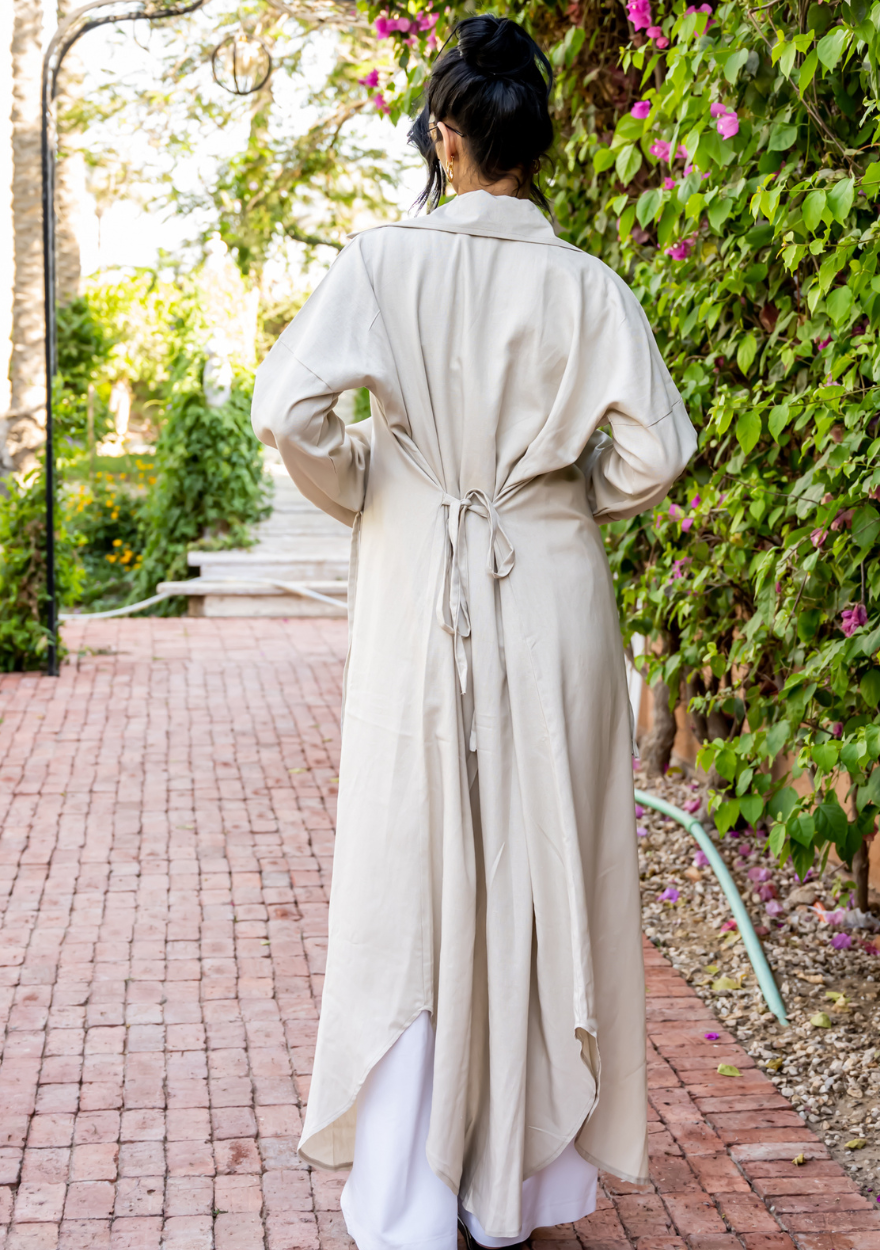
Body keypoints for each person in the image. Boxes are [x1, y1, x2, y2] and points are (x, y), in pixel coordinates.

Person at [250, 15, 696, 1249]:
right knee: (539, 869)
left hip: (419, 587)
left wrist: (371, 486)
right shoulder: (587, 284)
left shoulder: (382, 262)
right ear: (533, 143)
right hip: (550, 590)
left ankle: (406, 1196)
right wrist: (563, 498)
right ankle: (526, 1186)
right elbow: (660, 447)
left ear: (446, 136)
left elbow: (287, 409)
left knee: (413, 868)